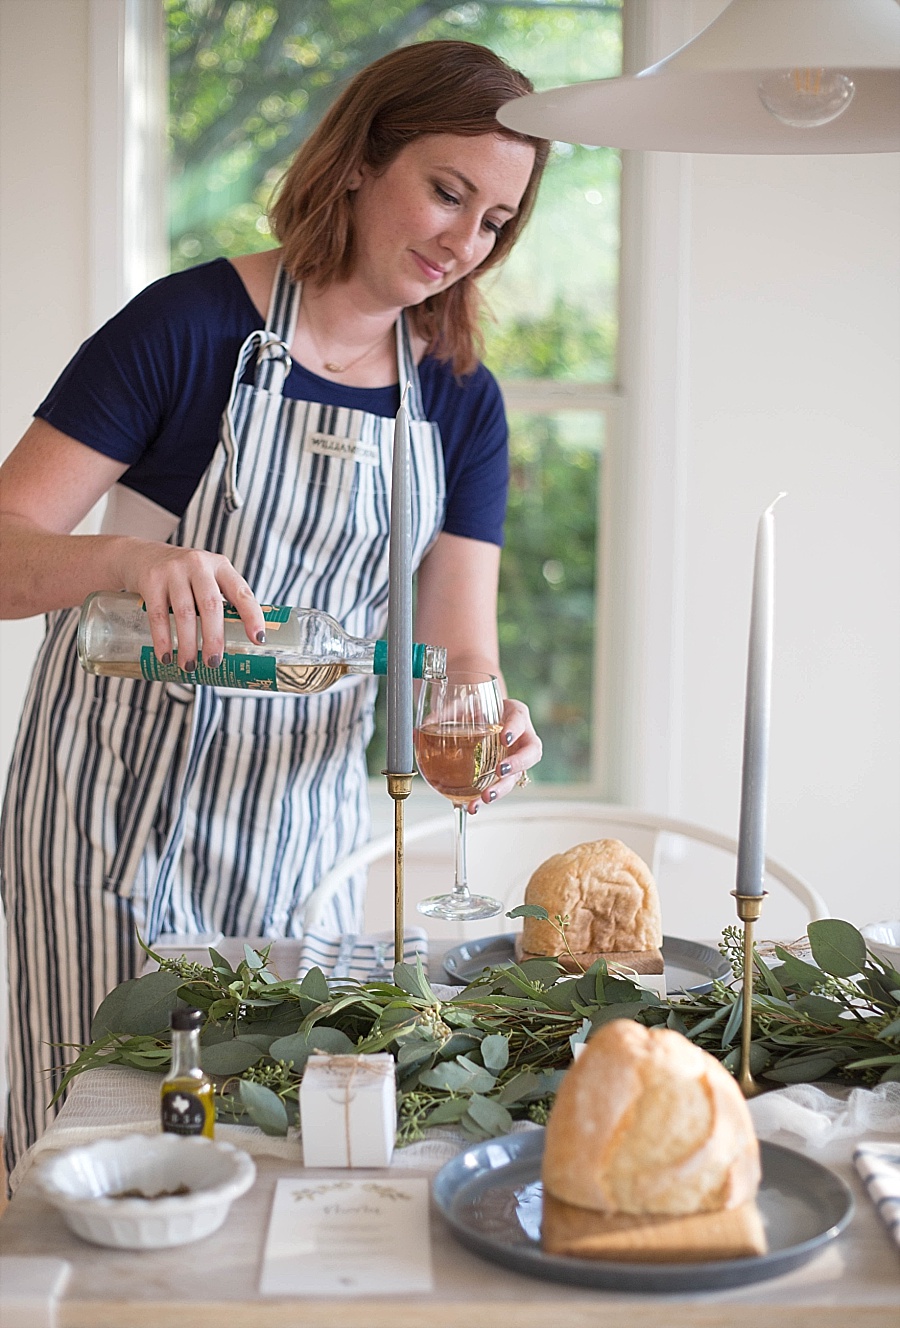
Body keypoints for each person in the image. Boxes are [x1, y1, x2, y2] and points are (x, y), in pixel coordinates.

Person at [0, 39, 549, 1173]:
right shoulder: (190, 329)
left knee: (264, 1156)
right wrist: (120, 560)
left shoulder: (458, 399)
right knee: (96, 1148)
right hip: (111, 831)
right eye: (447, 191)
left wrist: (491, 723)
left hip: (300, 848)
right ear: (358, 161)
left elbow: (458, 658)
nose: (464, 242)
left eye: (495, 219)